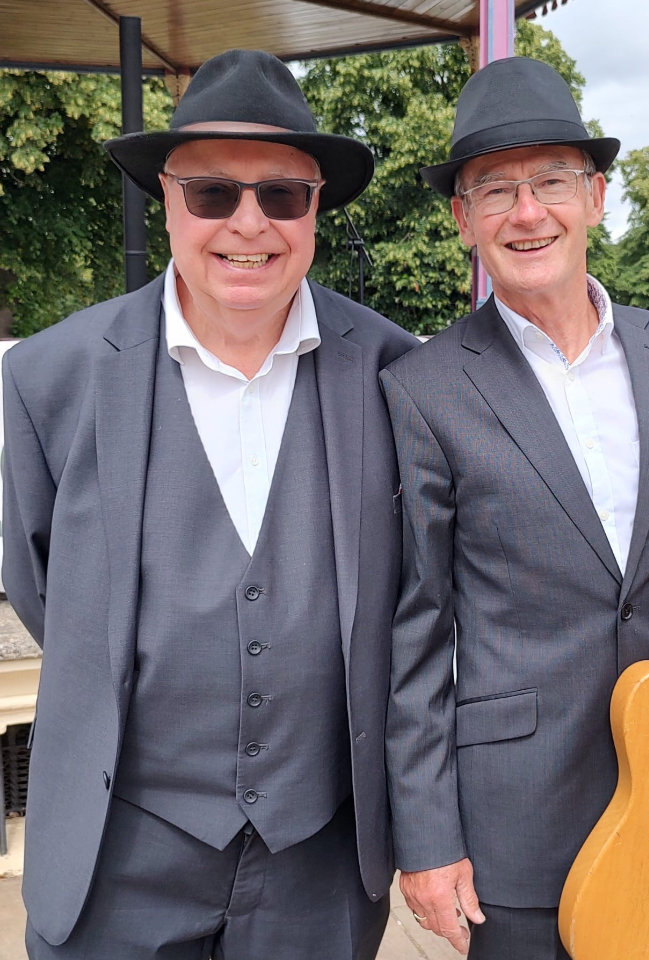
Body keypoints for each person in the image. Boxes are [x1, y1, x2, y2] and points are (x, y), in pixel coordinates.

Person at [379, 56, 649, 960]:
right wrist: (426, 839)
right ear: (462, 221)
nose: (527, 212)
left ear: (597, 195)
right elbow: (413, 631)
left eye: (551, 181)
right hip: (517, 819)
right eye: (494, 190)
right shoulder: (423, 389)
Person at [3, 48, 417, 960]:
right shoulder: (46, 379)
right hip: (118, 856)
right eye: (212, 194)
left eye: (282, 195)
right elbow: (49, 590)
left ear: (315, 210)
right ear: (165, 197)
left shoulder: (396, 373)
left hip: (323, 860)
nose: (248, 223)